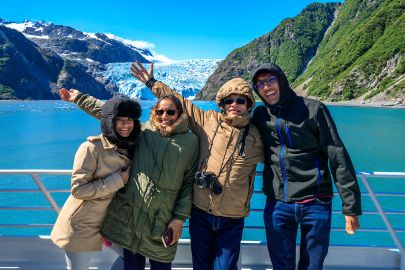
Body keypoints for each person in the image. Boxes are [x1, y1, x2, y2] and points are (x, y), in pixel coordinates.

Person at [130, 61, 264, 270]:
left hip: (232, 217)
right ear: (222, 103)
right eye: (229, 100)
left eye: (240, 100)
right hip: (201, 212)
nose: (234, 105)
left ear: (248, 104)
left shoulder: (257, 136)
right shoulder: (207, 120)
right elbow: (179, 102)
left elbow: (280, 158)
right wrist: (151, 82)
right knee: (201, 266)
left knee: (225, 267)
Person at [60, 89, 199, 270]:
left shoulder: (190, 141)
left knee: (162, 265)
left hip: (162, 219)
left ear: (180, 114)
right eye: (160, 111)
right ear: (154, 112)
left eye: (171, 112)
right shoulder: (145, 132)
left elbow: (188, 182)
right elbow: (109, 113)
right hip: (131, 217)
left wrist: (179, 218)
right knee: (132, 266)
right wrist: (79, 98)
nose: (165, 116)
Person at [250, 62, 362, 270]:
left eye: (271, 80)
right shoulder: (260, 116)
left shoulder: (313, 109)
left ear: (282, 80)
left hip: (316, 202)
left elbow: (337, 155)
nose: (267, 87)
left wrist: (351, 207)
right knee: (281, 265)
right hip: (278, 203)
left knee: (312, 266)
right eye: (260, 84)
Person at [51, 95, 142, 270]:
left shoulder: (131, 146)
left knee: (132, 259)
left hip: (110, 222)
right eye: (119, 120)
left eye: (129, 119)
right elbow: (78, 190)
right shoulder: (91, 148)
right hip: (82, 225)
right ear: (109, 122)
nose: (125, 124)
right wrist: (118, 180)